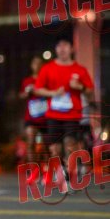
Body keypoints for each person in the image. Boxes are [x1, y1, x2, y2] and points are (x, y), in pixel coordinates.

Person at [33, 37, 94, 179]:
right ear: (56, 49)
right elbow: (37, 89)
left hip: (72, 114)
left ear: (71, 49)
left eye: (65, 45)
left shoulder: (80, 70)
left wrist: (80, 87)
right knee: (55, 148)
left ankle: (69, 170)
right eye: (59, 46)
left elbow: (90, 91)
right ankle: (59, 169)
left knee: (69, 143)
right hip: (53, 114)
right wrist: (53, 93)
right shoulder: (48, 68)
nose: (62, 49)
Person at [19, 56, 47, 166]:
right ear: (32, 66)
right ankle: (33, 169)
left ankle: (46, 168)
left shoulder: (47, 80)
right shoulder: (27, 81)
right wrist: (27, 93)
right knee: (30, 143)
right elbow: (21, 95)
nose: (37, 66)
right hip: (31, 117)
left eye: (40, 63)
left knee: (46, 146)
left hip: (45, 117)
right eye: (35, 63)